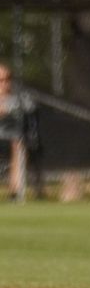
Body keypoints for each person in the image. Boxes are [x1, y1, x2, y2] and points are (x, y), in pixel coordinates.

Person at [0, 62, 33, 199]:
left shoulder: (18, 98)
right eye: (1, 80)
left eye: (7, 79)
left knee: (18, 145)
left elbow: (30, 109)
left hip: (12, 138)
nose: (4, 83)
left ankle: (16, 193)